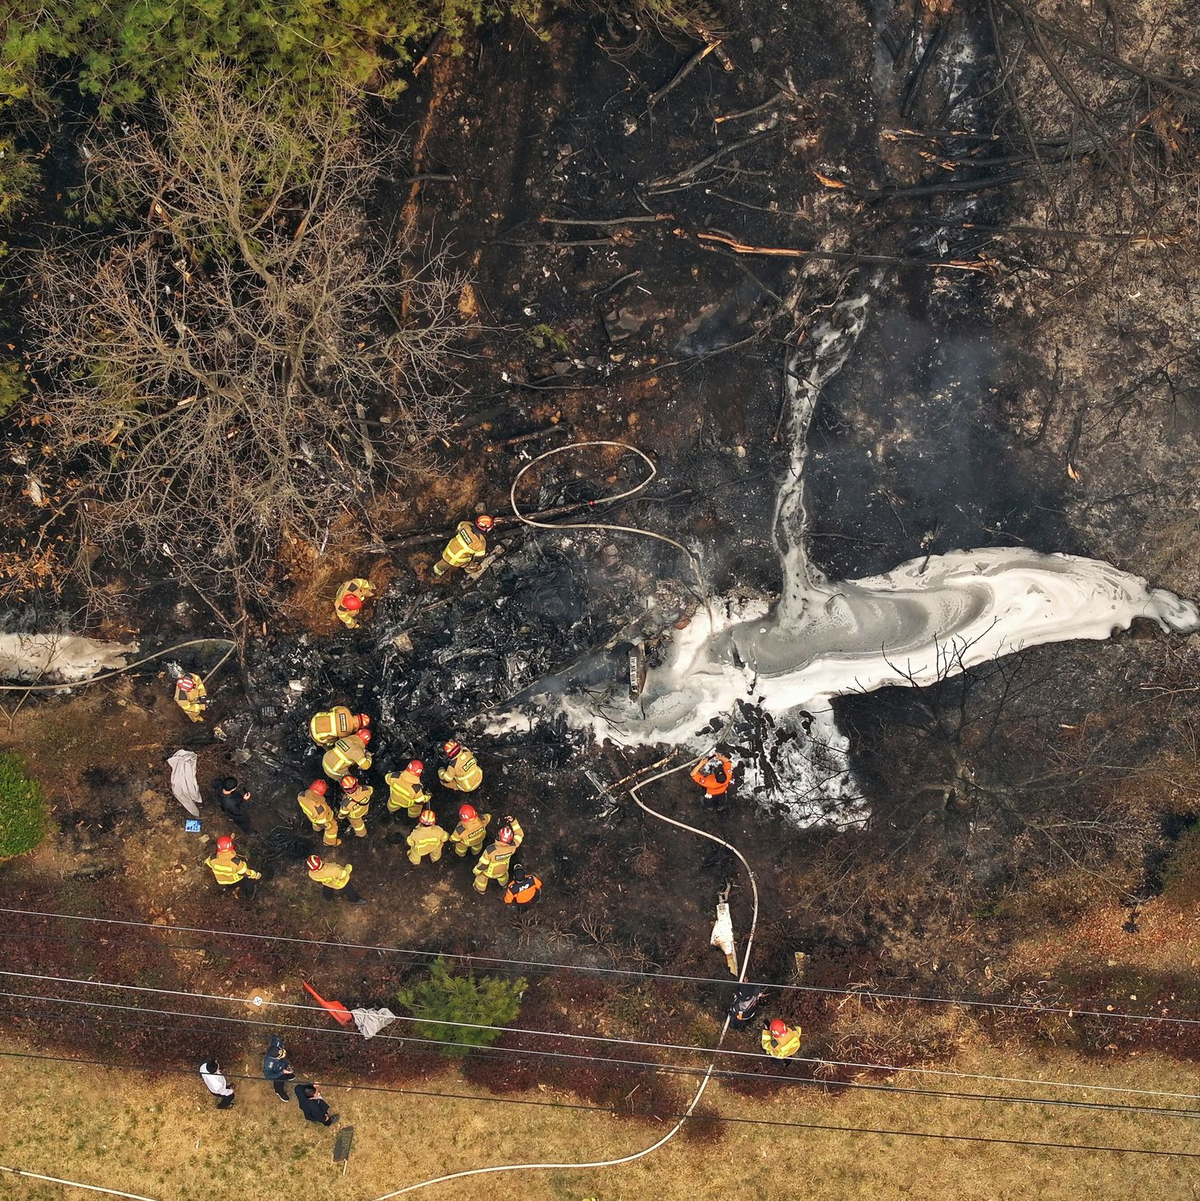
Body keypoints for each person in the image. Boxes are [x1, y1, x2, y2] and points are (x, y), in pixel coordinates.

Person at [473, 817, 523, 895]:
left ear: (498, 837)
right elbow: (519, 834)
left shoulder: (490, 850)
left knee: (481, 879)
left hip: (489, 873)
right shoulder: (513, 846)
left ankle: (480, 889)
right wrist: (513, 821)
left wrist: (476, 871)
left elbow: (483, 864)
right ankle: (504, 885)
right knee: (503, 877)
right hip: (503, 870)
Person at [433, 514, 493, 578]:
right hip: (457, 558)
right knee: (473, 564)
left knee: (442, 564)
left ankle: (435, 571)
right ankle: (466, 570)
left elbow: (459, 527)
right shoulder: (480, 543)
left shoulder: (466, 525)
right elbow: (478, 557)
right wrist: (473, 562)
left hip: (450, 547)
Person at [297, 779, 341, 847]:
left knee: (315, 824)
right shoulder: (320, 809)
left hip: (311, 817)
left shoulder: (301, 795)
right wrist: (329, 826)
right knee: (333, 828)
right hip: (323, 819)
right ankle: (329, 842)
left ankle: (317, 830)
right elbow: (322, 823)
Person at [337, 775, 373, 839]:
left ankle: (362, 834)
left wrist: (339, 817)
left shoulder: (346, 802)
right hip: (365, 809)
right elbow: (371, 790)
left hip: (355, 817)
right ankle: (365, 816)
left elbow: (342, 814)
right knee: (365, 813)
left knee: (359, 827)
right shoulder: (365, 789)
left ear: (345, 790)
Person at [263, 1034, 296, 1101]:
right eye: (281, 1055)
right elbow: (269, 1076)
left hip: (283, 1066)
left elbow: (276, 1038)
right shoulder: (269, 1064)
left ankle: (286, 1076)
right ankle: (279, 1091)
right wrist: (282, 1072)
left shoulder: (277, 1045)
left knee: (285, 1072)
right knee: (279, 1082)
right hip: (277, 1074)